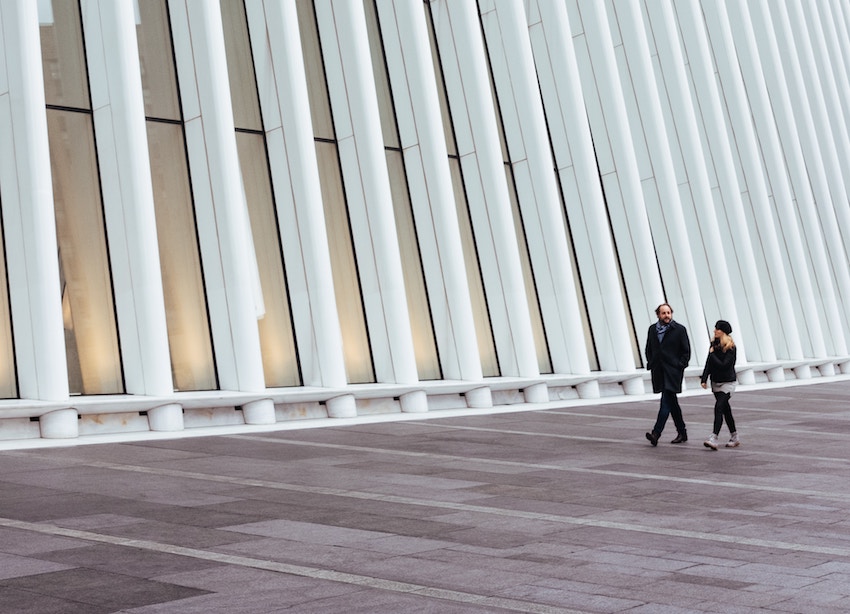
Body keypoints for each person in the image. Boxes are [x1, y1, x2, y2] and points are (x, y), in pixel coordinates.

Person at [645, 303, 691, 446]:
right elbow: (649, 348)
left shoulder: (679, 329)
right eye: (663, 313)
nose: (666, 316)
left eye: (668, 313)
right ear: (658, 315)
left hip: (673, 372)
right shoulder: (652, 329)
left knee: (665, 403)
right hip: (659, 371)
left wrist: (679, 366)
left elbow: (686, 351)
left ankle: (656, 433)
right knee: (672, 404)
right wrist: (651, 361)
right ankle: (682, 432)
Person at [700, 320, 739, 450]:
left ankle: (714, 438)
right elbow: (708, 363)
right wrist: (704, 379)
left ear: (723, 332)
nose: (714, 331)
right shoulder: (714, 345)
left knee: (718, 407)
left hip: (728, 383)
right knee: (725, 410)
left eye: (717, 329)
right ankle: (734, 436)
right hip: (716, 382)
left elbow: (724, 365)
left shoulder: (731, 348)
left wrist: (712, 355)